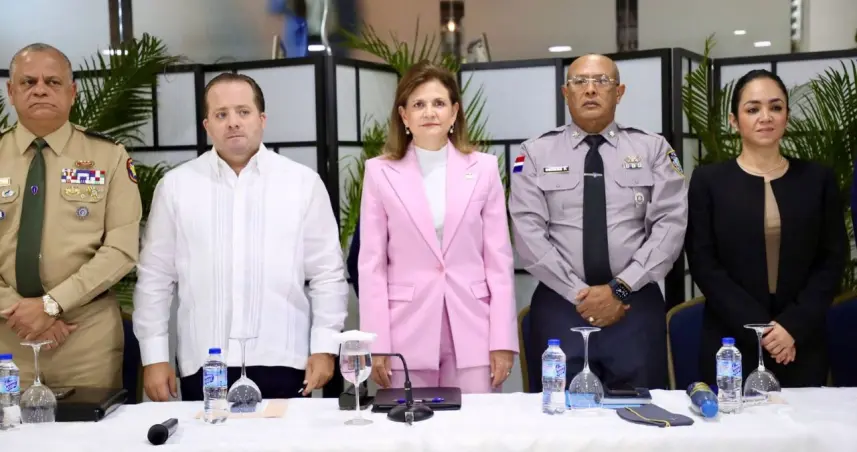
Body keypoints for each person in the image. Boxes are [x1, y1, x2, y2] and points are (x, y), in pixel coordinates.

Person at [133, 72, 348, 401]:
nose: (233, 122)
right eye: (221, 114)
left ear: (262, 120)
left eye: (243, 112)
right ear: (207, 126)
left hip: (282, 357)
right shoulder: (176, 187)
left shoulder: (302, 183)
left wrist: (325, 347)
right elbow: (154, 277)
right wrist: (154, 356)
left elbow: (327, 274)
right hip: (205, 360)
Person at [509, 54, 687, 390]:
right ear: (566, 93)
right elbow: (527, 232)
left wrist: (620, 288)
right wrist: (579, 294)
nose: (590, 89)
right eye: (580, 82)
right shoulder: (534, 153)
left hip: (634, 302)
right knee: (560, 409)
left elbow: (670, 225)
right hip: (562, 304)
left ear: (619, 92)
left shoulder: (653, 149)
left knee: (642, 410)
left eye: (602, 81)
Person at [358, 60, 517, 394]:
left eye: (438, 103)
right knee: (408, 424)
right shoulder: (378, 172)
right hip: (404, 331)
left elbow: (499, 261)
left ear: (454, 111)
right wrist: (376, 342)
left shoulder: (485, 169)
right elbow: (371, 265)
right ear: (403, 116)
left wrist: (502, 339)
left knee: (477, 424)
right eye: (418, 104)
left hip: (474, 329)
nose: (429, 112)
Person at [685, 69, 846, 388]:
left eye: (775, 107)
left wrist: (791, 327)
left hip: (798, 340)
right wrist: (762, 330)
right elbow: (704, 264)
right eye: (753, 109)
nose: (765, 117)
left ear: (787, 117)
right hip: (731, 339)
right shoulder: (709, 182)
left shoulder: (817, 179)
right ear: (734, 121)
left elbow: (831, 260)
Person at [0, 43, 141, 389]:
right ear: (11, 92)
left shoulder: (108, 155)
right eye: (28, 82)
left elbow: (121, 248)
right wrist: (20, 310)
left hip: (85, 339)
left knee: (88, 425)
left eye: (52, 82)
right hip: (7, 335)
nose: (40, 90)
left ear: (72, 92)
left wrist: (51, 305)